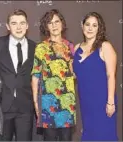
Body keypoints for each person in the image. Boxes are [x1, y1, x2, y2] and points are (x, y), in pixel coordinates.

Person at [0, 9, 36, 141]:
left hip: (25, 107)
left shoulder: (35, 47)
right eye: (14, 23)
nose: (18, 27)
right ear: (8, 26)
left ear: (27, 25)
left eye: (22, 23)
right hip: (2, 106)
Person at [31, 9, 76, 141]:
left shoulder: (70, 46)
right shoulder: (41, 47)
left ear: (62, 24)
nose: (54, 25)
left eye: (57, 21)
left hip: (67, 103)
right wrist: (36, 103)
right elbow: (35, 76)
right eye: (50, 23)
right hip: (47, 103)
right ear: (46, 27)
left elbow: (74, 73)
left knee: (66, 139)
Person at [73, 12, 118, 141]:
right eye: (87, 24)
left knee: (103, 135)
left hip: (102, 102)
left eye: (94, 25)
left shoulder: (105, 46)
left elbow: (111, 76)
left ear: (99, 28)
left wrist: (110, 102)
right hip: (86, 102)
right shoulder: (77, 48)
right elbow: (74, 74)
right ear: (82, 26)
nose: (90, 28)